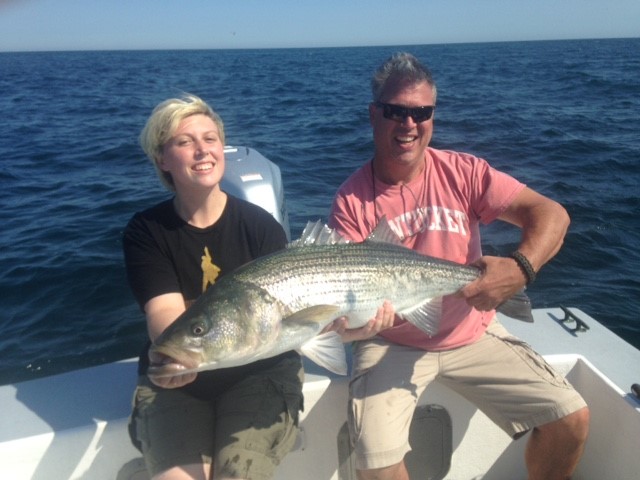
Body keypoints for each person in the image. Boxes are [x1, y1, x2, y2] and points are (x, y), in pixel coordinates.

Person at [327, 53, 590, 480]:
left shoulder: (464, 172)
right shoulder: (351, 200)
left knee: (571, 419)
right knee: (374, 462)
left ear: (432, 117)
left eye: (421, 112)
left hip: (472, 328)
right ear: (374, 115)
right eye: (396, 111)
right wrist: (356, 327)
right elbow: (349, 304)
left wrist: (520, 268)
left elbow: (552, 214)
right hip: (392, 339)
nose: (408, 124)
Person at [122, 94, 303, 480]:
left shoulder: (261, 227)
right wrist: (181, 357)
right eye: (184, 142)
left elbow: (298, 311)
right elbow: (163, 314)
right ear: (162, 159)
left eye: (210, 138)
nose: (202, 150)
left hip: (261, 369)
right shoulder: (147, 231)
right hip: (177, 379)